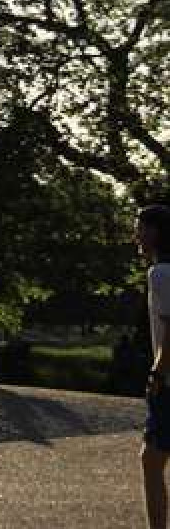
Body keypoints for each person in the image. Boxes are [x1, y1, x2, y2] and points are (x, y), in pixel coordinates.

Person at [136, 204, 170, 529]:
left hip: (169, 381)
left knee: (152, 460)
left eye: (140, 227)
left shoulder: (160, 274)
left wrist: (157, 372)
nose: (137, 234)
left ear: (155, 233)